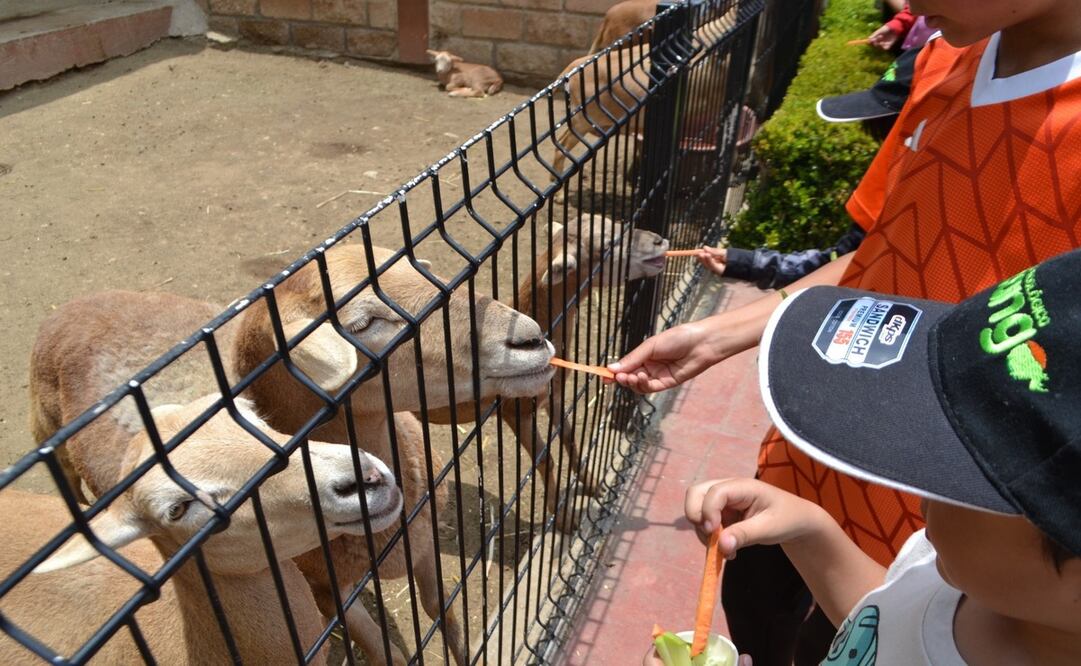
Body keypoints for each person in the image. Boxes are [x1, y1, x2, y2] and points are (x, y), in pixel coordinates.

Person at [611, 1, 1081, 664]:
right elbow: (882, 245)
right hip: (805, 467)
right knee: (761, 619)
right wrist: (721, 334)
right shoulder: (947, 55)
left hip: (935, 527)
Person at [683, 250, 1081, 664]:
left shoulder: (978, 576)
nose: (922, 495)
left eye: (960, 476)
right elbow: (887, 622)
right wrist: (809, 532)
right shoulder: (966, 575)